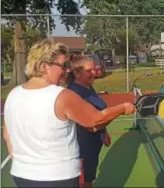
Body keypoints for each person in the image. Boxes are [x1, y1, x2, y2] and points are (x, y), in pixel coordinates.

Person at [3, 39, 135, 188]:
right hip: (58, 178)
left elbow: (7, 135)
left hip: (22, 175)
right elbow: (94, 121)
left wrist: (26, 164)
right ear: (44, 66)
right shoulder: (61, 95)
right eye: (63, 65)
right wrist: (123, 107)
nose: (67, 70)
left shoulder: (13, 95)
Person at [66, 54, 111, 187]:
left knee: (89, 179)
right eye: (89, 71)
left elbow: (97, 109)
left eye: (94, 69)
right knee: (83, 182)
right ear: (77, 73)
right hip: (82, 149)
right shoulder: (73, 93)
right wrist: (122, 108)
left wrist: (105, 132)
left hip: (93, 144)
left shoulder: (88, 87)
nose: (94, 72)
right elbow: (92, 120)